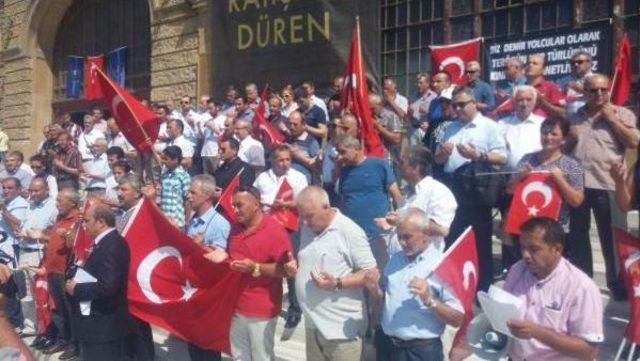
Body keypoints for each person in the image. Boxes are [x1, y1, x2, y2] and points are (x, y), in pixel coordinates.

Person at [566, 73, 640, 300]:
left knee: (613, 237)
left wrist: (612, 119)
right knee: (578, 236)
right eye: (593, 90)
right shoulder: (574, 116)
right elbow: (566, 149)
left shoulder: (622, 113)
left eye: (603, 90)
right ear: (584, 93)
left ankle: (618, 285)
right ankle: (583, 281)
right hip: (578, 183)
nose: (599, 94)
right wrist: (570, 138)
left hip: (608, 183)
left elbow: (634, 142)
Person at [291, 186, 377, 361]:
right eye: (302, 216)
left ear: (326, 206)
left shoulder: (349, 231)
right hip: (313, 324)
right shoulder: (308, 228)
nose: (305, 222)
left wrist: (338, 283)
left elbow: (372, 273)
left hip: (340, 331)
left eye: (309, 216)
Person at [366, 208, 464, 361]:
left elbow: (457, 318)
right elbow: (386, 299)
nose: (402, 243)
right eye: (399, 237)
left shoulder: (443, 266)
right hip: (388, 347)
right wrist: (375, 289)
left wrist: (429, 300)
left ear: (426, 234)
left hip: (420, 352)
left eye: (408, 237)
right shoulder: (395, 260)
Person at [434, 87, 507, 291]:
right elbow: (438, 160)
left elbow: (502, 157)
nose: (457, 109)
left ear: (474, 103)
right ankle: (455, 286)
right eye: (454, 105)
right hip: (453, 187)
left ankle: (482, 288)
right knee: (453, 238)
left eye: (461, 104)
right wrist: (442, 153)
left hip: (477, 190)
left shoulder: (489, 126)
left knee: (480, 241)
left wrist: (479, 156)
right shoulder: (449, 128)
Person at [504, 217, 603, 361]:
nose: (526, 255)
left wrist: (537, 333)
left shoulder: (581, 287)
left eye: (533, 249)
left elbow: (589, 351)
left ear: (557, 249)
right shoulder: (517, 270)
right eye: (522, 247)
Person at [213, 186, 293, 361]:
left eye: (239, 205)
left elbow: (286, 270)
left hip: (261, 309)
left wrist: (255, 268)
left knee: (261, 357)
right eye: (233, 205)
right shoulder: (234, 228)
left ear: (256, 204)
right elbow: (229, 256)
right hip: (235, 306)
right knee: (239, 356)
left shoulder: (275, 231)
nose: (234, 209)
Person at [507, 117, 584, 271]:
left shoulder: (572, 164)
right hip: (526, 227)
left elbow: (577, 200)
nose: (548, 137)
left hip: (555, 230)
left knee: (553, 271)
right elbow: (509, 189)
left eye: (554, 134)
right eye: (544, 133)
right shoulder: (527, 159)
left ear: (563, 138)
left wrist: (560, 179)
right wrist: (519, 177)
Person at [65, 204, 131, 361]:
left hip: (104, 325)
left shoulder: (113, 244)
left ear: (101, 222)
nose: (84, 225)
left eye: (86, 221)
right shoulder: (103, 242)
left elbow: (108, 286)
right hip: (94, 322)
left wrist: (77, 289)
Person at [26, 189, 81, 358]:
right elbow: (54, 239)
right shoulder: (59, 218)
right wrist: (42, 236)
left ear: (72, 203)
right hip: (52, 271)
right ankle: (62, 339)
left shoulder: (78, 219)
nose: (56, 204)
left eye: (60, 201)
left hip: (66, 273)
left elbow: (77, 245)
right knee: (57, 310)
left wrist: (68, 236)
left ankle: (74, 344)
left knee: (70, 310)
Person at [377, 145, 457, 255]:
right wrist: (391, 224)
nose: (399, 166)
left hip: (422, 264)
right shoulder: (408, 194)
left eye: (402, 162)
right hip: (401, 262)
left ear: (415, 168)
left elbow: (441, 229)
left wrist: (402, 220)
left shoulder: (437, 191)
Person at [337, 135, 402, 268]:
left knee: (382, 273)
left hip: (378, 234)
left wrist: (399, 222)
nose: (340, 156)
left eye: (343, 152)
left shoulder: (379, 165)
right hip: (353, 236)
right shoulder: (344, 172)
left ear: (355, 149)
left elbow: (396, 195)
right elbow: (344, 201)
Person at [184, 174, 229, 361]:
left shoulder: (219, 224)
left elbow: (220, 261)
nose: (188, 195)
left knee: (207, 349)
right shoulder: (194, 219)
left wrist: (200, 247)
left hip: (209, 295)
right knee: (193, 344)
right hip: (192, 289)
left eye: (193, 192)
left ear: (207, 196)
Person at [0, 177, 27, 333]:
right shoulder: (8, 203)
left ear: (18, 189)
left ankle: (17, 322)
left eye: (10, 188)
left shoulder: (20, 204)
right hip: (3, 249)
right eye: (4, 188)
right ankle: (9, 320)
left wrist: (3, 210)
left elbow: (17, 226)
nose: (6, 191)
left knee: (12, 286)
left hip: (13, 250)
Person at [497, 85, 545, 170]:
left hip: (535, 176)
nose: (524, 104)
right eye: (520, 100)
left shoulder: (543, 123)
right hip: (509, 176)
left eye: (528, 100)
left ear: (534, 102)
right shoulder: (502, 124)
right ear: (514, 102)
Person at [370, 93, 403, 179]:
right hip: (372, 159)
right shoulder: (368, 118)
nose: (370, 111)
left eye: (372, 108)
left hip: (387, 160)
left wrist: (379, 127)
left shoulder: (391, 116)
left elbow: (396, 138)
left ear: (379, 104)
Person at [524, 54, 565, 119]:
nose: (530, 65)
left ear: (543, 69)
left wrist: (542, 103)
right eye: (528, 63)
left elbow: (563, 113)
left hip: (543, 126)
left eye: (535, 63)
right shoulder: (520, 89)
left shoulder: (551, 87)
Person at [286, 111, 319, 184]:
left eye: (295, 124)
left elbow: (317, 167)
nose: (291, 127)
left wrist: (298, 156)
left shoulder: (312, 142)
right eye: (290, 124)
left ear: (303, 125)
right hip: (286, 183)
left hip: (302, 184)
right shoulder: (287, 140)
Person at [557, 51, 594, 116]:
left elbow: (603, 98)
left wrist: (582, 90)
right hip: (567, 117)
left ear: (589, 63)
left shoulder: (596, 79)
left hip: (587, 117)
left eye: (580, 62)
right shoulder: (564, 81)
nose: (576, 65)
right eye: (573, 63)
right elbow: (557, 98)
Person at [423, 71, 453, 152]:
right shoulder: (433, 102)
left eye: (438, 81)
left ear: (448, 83)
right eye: (433, 82)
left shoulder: (455, 99)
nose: (434, 84)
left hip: (448, 143)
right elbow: (431, 121)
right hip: (432, 141)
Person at [408, 72, 437, 146]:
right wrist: (410, 112)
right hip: (413, 130)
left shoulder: (434, 97)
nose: (418, 85)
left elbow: (437, 115)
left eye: (421, 83)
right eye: (417, 83)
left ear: (428, 83)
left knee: (425, 154)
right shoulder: (413, 97)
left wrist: (427, 112)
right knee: (413, 155)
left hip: (426, 130)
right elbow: (408, 115)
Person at [200, 99, 226, 174]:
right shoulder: (208, 120)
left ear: (217, 107)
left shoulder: (223, 119)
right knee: (207, 177)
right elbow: (203, 136)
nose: (209, 111)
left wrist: (214, 128)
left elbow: (224, 136)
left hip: (215, 153)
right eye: (208, 109)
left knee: (216, 175)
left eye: (211, 108)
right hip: (206, 152)